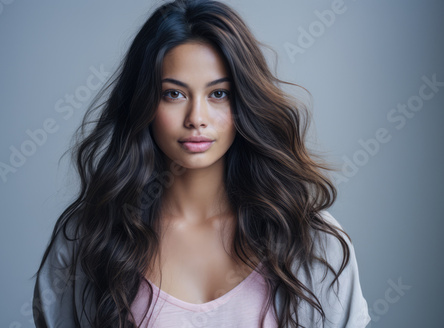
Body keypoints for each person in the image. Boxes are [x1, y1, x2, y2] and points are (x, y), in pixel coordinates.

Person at [31, 0, 371, 327]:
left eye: (218, 94)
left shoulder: (311, 239)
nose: (197, 118)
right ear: (143, 103)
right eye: (173, 94)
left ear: (245, 103)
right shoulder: (89, 239)